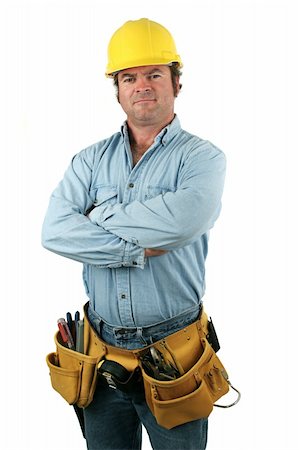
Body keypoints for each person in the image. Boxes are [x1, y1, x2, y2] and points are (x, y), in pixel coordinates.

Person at [42, 18, 226, 450]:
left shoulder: (203, 159)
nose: (141, 85)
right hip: (98, 352)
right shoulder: (89, 160)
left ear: (176, 83)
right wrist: (138, 247)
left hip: (173, 356)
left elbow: (183, 222)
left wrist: (95, 215)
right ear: (118, 89)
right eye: (130, 77)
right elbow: (53, 231)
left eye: (154, 74)